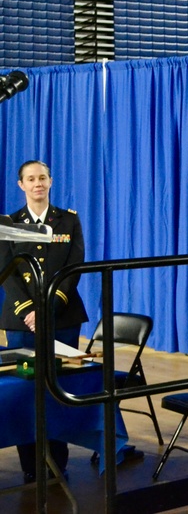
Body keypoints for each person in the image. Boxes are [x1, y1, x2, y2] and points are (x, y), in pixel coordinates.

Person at [1, 160, 88, 483]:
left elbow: (74, 265)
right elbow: (7, 272)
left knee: (56, 388)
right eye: (30, 179)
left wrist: (47, 309)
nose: (37, 183)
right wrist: (28, 310)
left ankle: (56, 463)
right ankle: (30, 465)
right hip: (21, 319)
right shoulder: (9, 222)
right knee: (24, 392)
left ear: (50, 182)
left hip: (62, 316)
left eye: (42, 178)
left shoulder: (68, 220)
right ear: (21, 185)